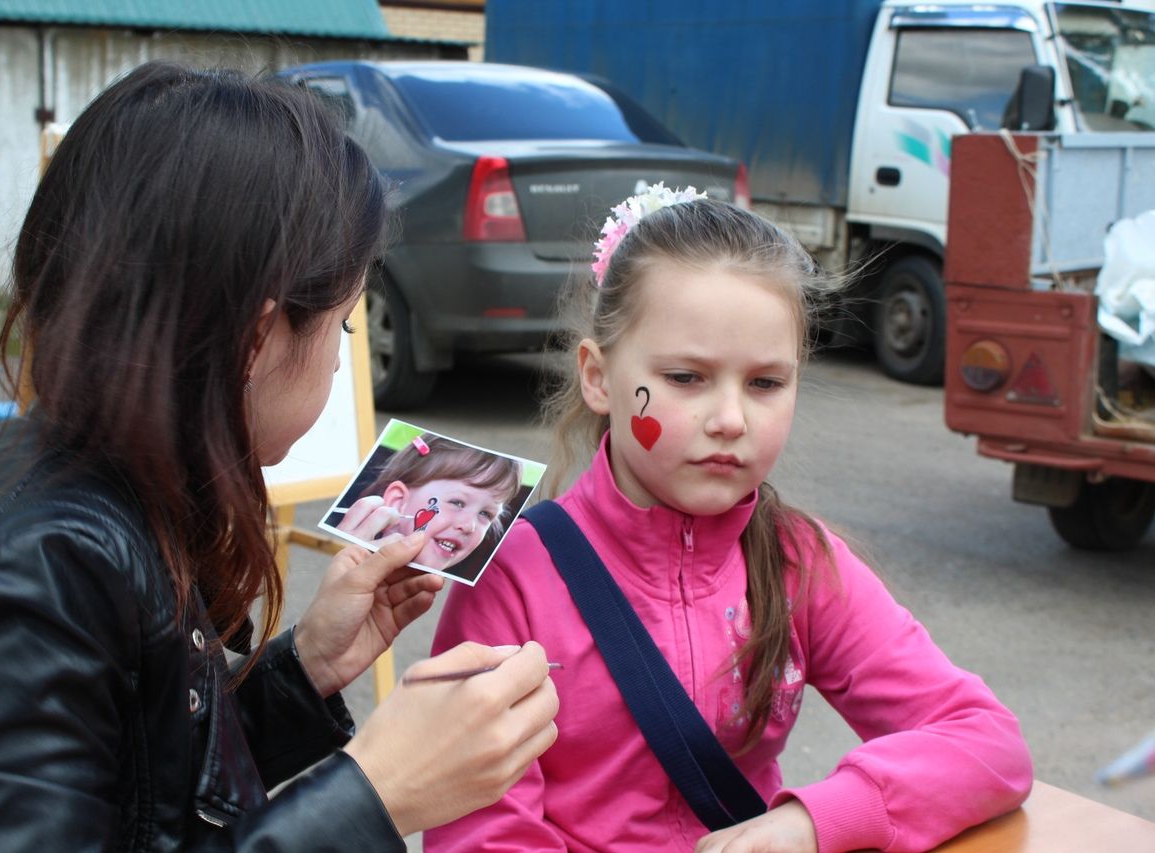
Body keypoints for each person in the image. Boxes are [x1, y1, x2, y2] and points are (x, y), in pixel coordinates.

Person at [0, 61, 558, 851]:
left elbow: (135, 794)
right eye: (339, 327)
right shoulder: (35, 578)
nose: (341, 362)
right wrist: (375, 795)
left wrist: (301, 671)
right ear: (255, 339)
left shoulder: (77, 478)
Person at [426, 186, 1034, 852]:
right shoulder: (511, 575)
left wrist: (813, 820)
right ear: (598, 377)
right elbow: (480, 829)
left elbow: (986, 741)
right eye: (687, 377)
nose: (731, 419)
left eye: (766, 383)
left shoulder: (801, 561)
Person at [331, 433, 523, 573]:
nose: (469, 526)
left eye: (485, 514)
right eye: (457, 502)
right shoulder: (349, 565)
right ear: (398, 502)